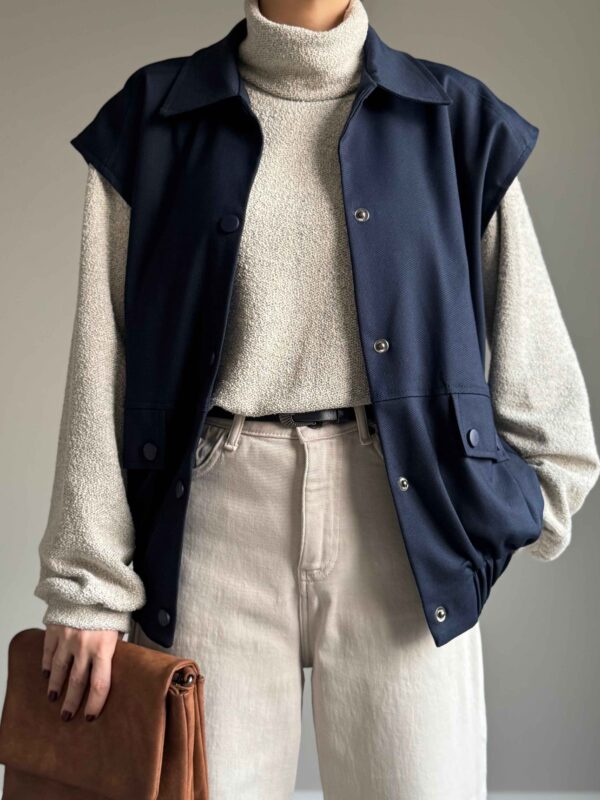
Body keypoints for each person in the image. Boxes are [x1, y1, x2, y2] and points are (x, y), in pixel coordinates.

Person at [34, 0, 600, 797]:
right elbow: (102, 357)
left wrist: (492, 508)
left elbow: (548, 400)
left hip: (403, 526)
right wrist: (85, 585)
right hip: (214, 526)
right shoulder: (154, 118)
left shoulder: (454, 121)